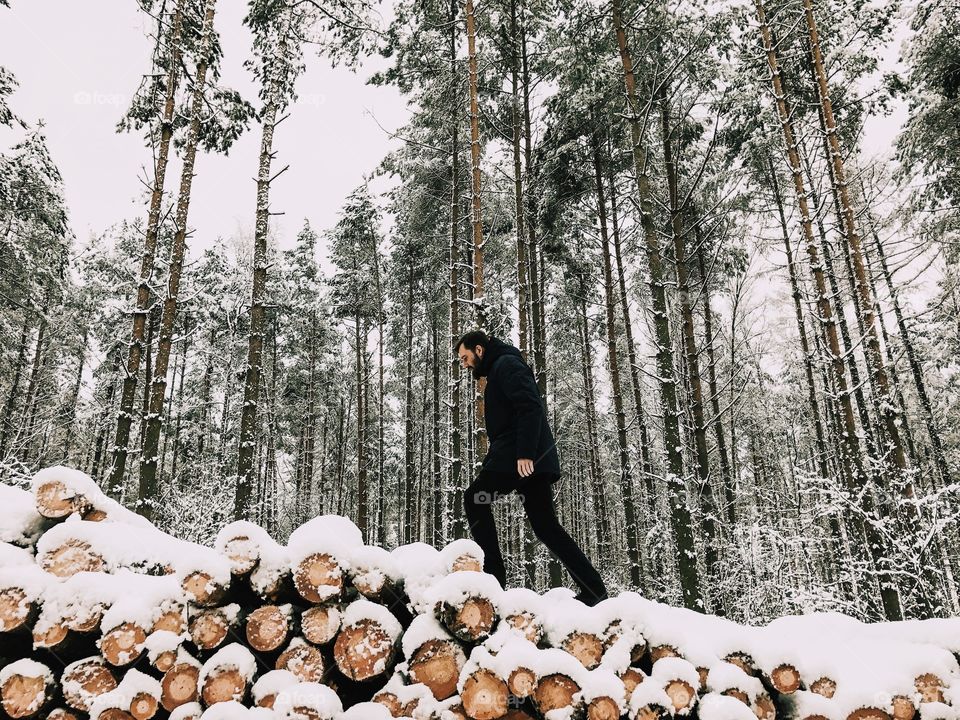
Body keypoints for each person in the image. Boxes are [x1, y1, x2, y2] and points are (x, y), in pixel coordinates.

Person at [455, 329, 609, 606]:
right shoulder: (501, 366)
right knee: (545, 526)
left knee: (475, 498)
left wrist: (525, 453)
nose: (464, 364)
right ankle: (594, 589)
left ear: (479, 350)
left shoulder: (507, 365)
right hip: (521, 457)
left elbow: (530, 408)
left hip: (521, 456)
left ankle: (494, 579)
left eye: (465, 357)